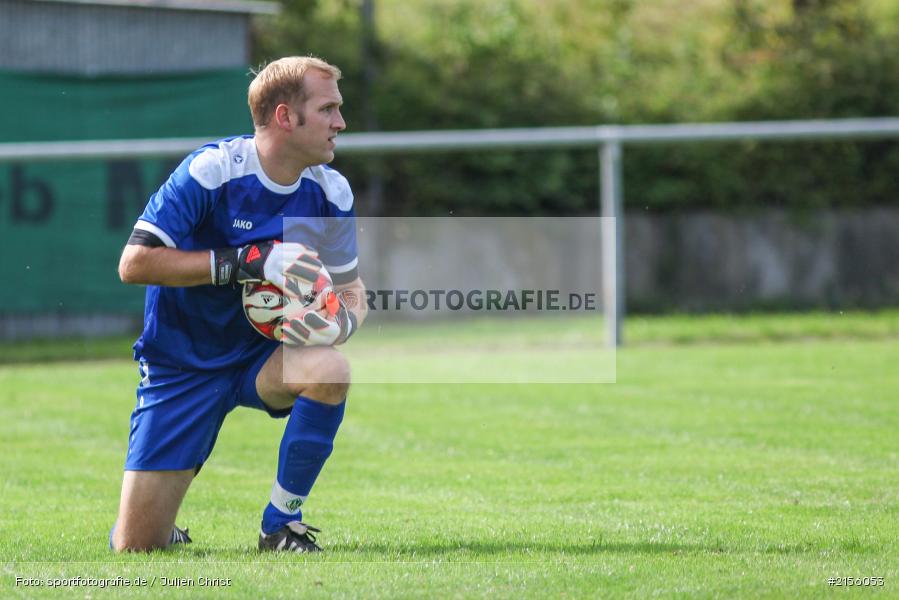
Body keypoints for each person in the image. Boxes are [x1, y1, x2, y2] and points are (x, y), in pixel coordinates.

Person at [111, 56, 366, 553]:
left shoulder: (331, 192)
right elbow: (134, 264)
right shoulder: (213, 171)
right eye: (328, 109)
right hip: (183, 363)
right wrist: (247, 262)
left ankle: (281, 525)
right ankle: (158, 516)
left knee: (330, 368)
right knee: (137, 547)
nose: (341, 122)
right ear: (285, 117)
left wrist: (337, 321)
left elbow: (353, 291)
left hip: (260, 360)